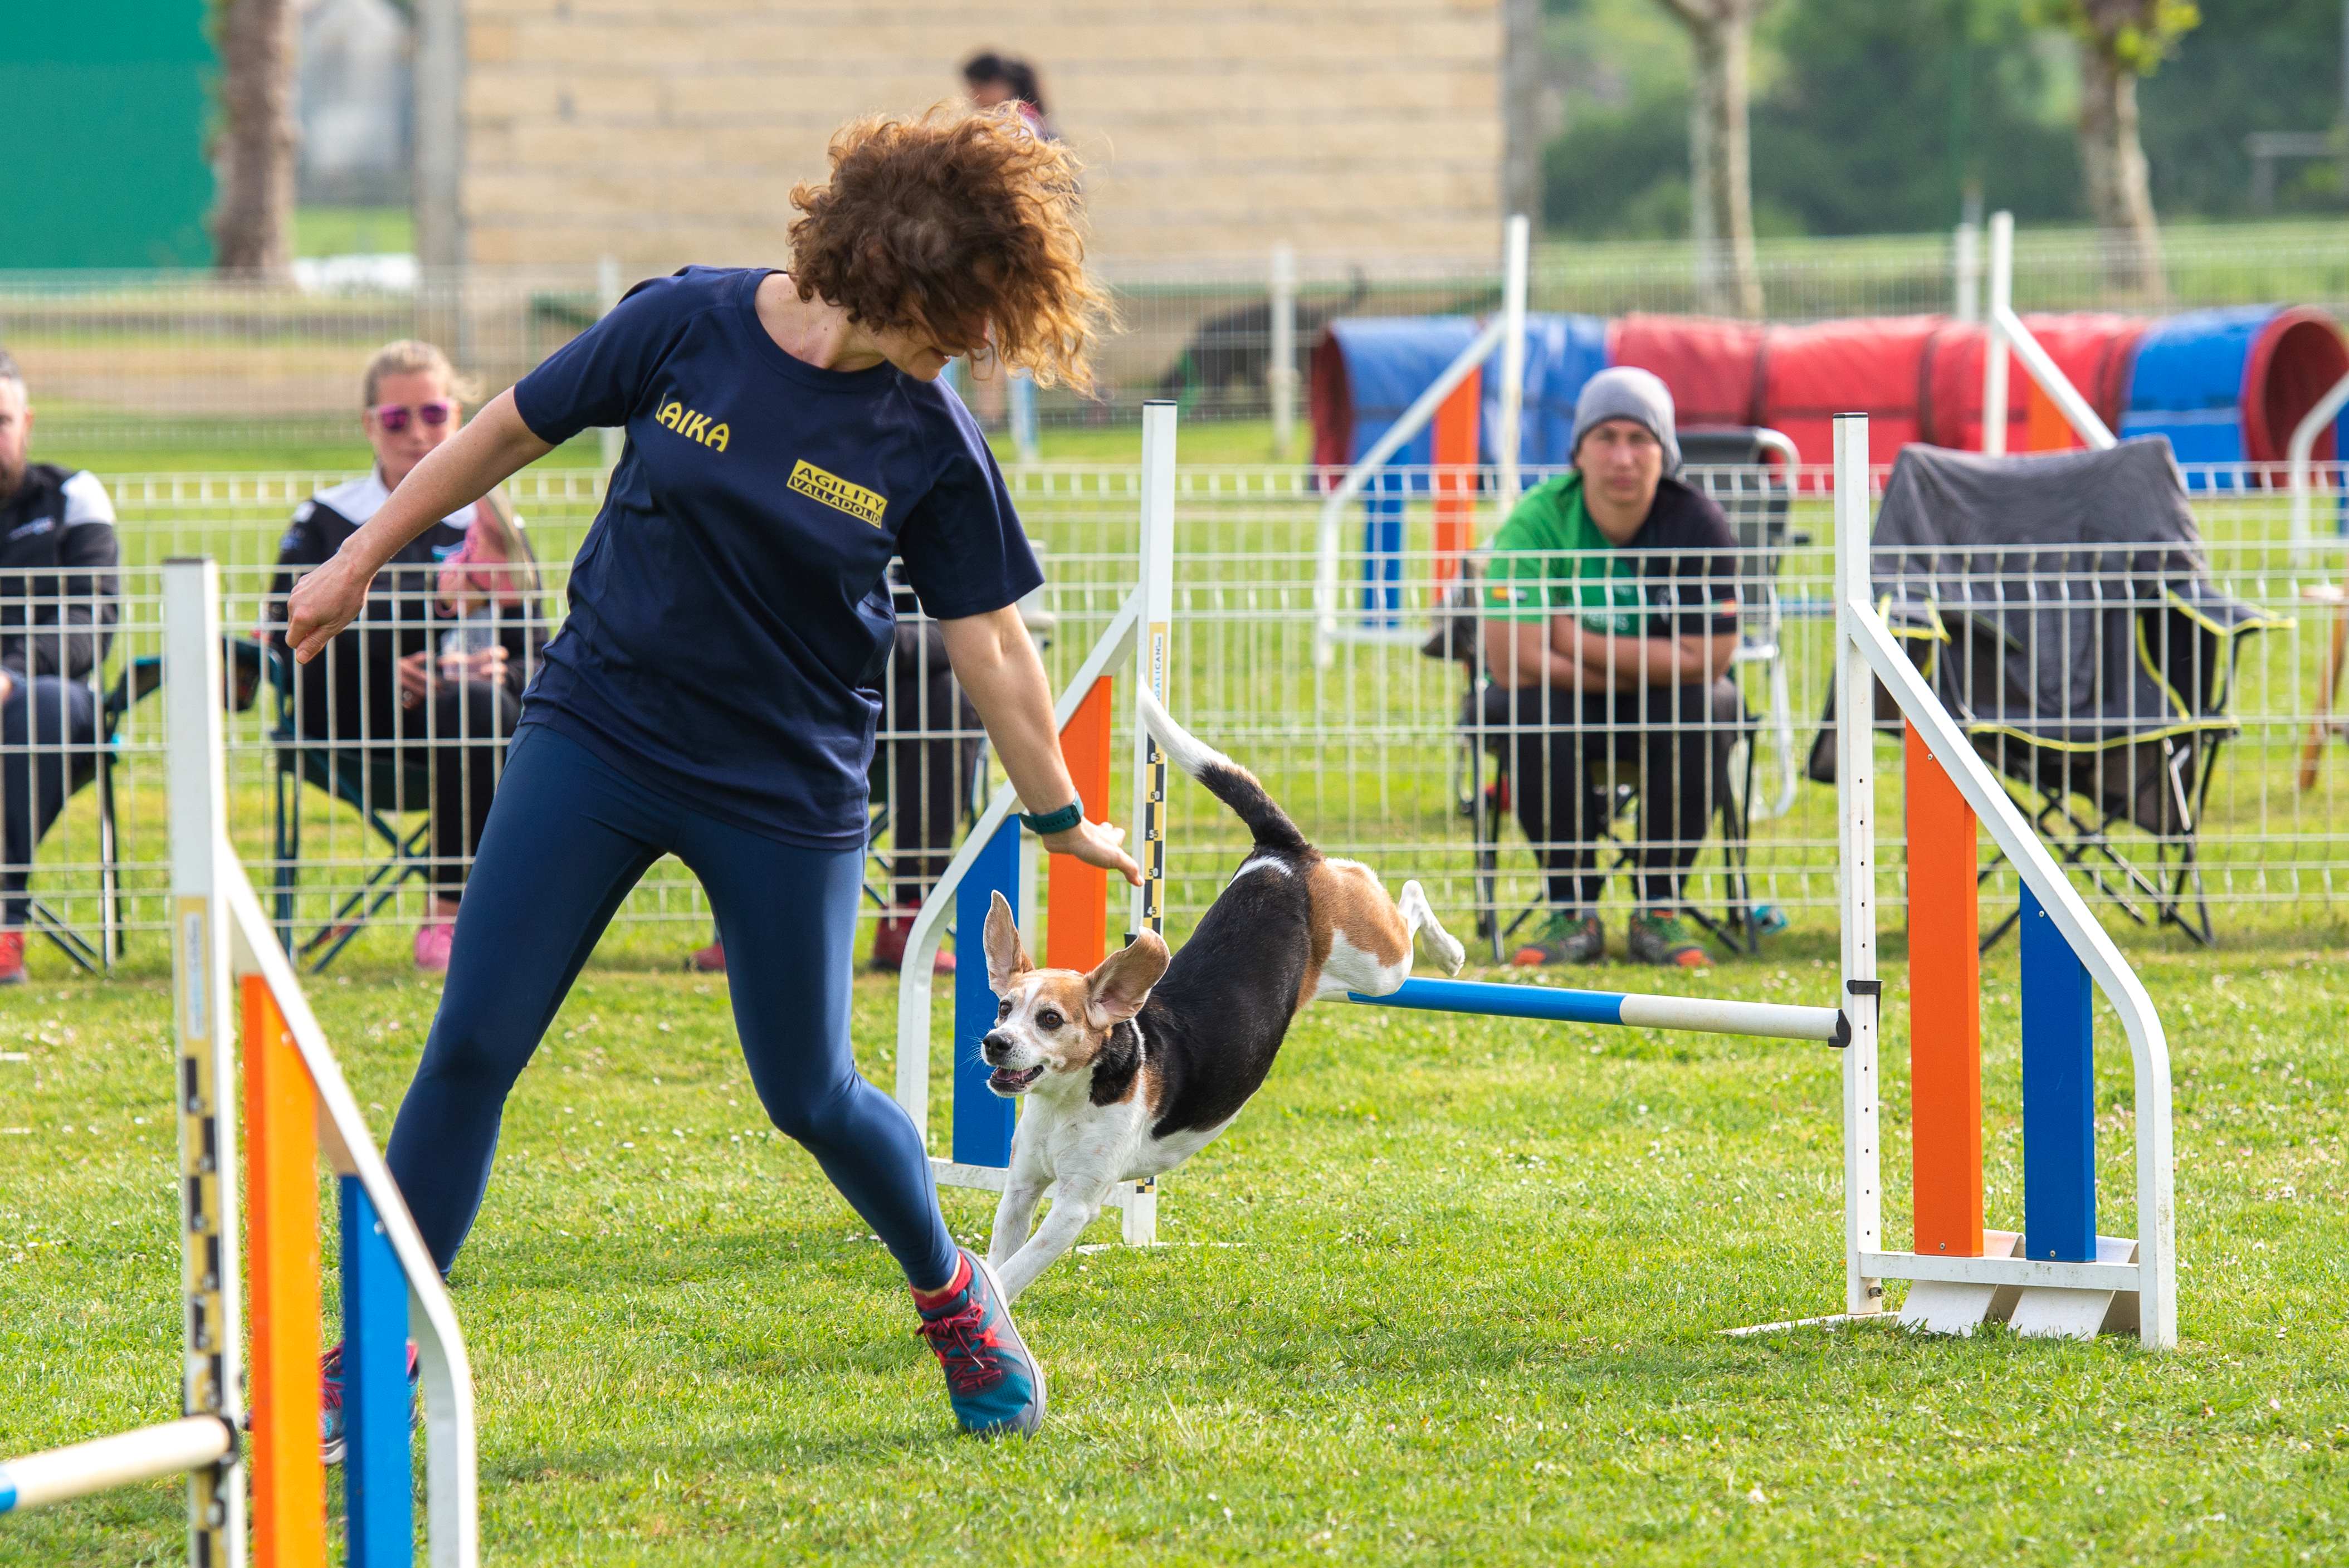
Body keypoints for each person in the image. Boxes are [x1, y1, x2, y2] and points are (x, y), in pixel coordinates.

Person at [284, 102, 1135, 1442]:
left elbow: (997, 651)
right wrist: (360, 556)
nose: (973, 346)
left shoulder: (927, 439)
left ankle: (953, 1294)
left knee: (806, 1092)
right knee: (473, 1046)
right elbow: (505, 429)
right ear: (894, 274)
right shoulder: (683, 324)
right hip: (598, 729)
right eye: (962, 314)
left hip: (783, 788)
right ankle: (376, 1349)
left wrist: (1059, 816)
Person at [268, 340, 545, 974]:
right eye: (396, 419)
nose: (417, 433)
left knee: (482, 703)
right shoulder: (326, 520)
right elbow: (288, 639)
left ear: (460, 415)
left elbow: (539, 647)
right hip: (358, 728)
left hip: (478, 726)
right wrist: (381, 669)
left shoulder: (496, 520)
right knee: (474, 708)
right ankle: (460, 919)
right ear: (369, 424)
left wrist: (505, 669)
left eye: (434, 413)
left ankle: (453, 918)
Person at [1478, 367, 1741, 970]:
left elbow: (1711, 660)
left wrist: (1569, 637)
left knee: (1705, 702)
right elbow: (1510, 661)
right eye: (1605, 437)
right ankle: (1570, 906)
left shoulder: (1697, 523)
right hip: (1563, 701)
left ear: (1664, 451)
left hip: (1663, 702)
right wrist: (1654, 665)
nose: (1621, 456)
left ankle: (1659, 906)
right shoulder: (1536, 520)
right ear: (1578, 451)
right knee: (1531, 707)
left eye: (1638, 438)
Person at [687, 561, 976, 977]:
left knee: (949, 692)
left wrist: (842, 639)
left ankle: (908, 913)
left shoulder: (923, 524)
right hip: (791, 702)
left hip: (892, 720)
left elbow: (958, 634)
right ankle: (751, 925)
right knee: (764, 671)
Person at [0, 349, 120, 986]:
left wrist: (11, 673)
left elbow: (92, 619)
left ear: (28, 421)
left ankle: (2, 921)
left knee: (43, 701)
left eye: (0, 419)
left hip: (48, 707)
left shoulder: (74, 495)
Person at [961, 51, 1055, 140]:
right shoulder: (1020, 116)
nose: (973, 95)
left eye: (978, 88)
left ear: (999, 85)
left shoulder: (1016, 123)